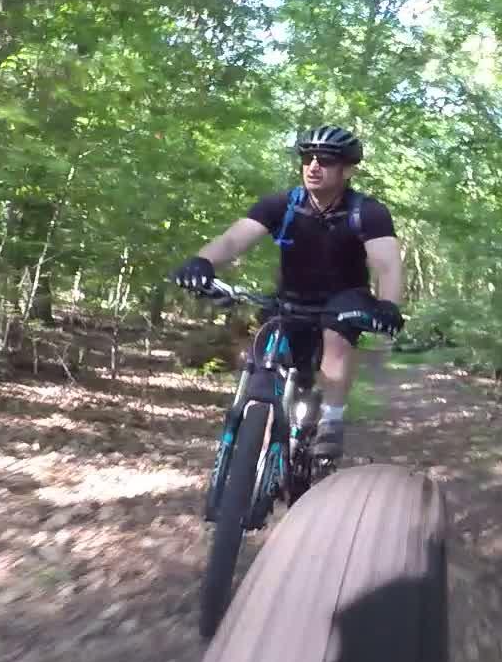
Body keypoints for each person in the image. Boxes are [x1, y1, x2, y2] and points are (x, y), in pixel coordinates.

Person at [171, 125, 405, 461]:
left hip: (345, 300)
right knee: (260, 354)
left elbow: (386, 265)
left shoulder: (367, 212)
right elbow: (234, 240)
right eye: (307, 158)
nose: (313, 165)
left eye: (325, 160)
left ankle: (332, 420)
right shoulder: (282, 205)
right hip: (291, 299)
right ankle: (258, 433)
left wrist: (387, 306)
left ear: (347, 169)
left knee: (338, 328)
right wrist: (202, 261)